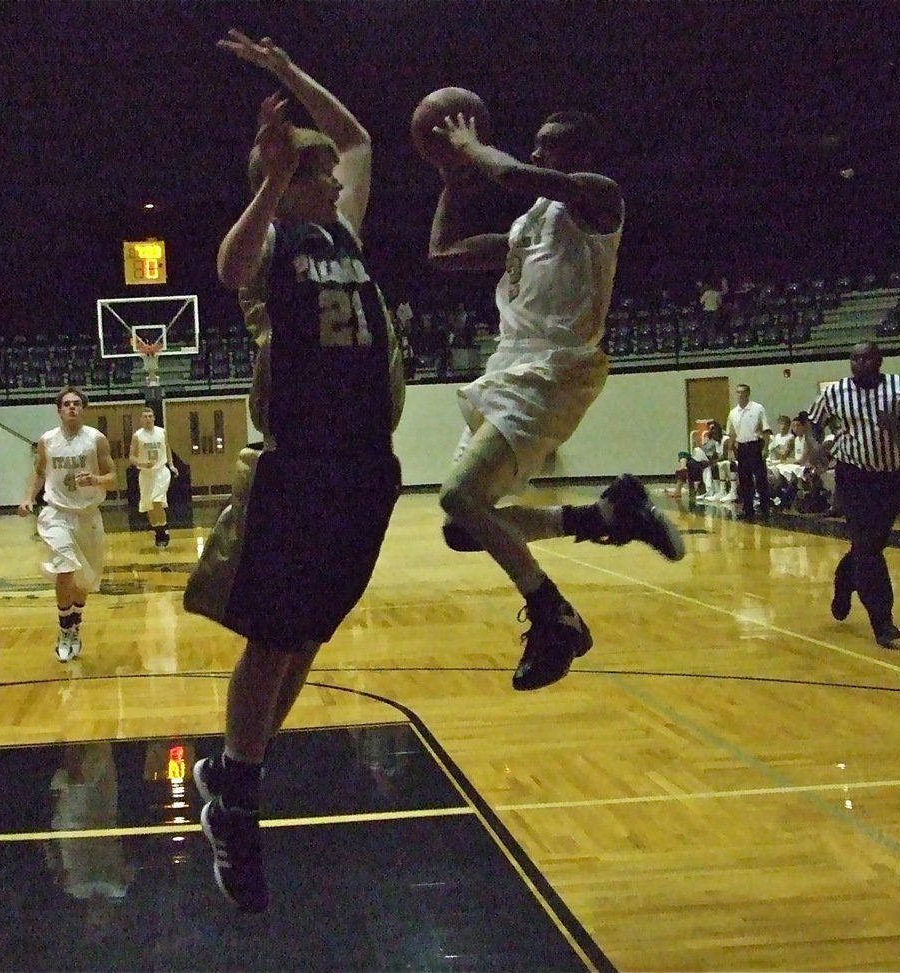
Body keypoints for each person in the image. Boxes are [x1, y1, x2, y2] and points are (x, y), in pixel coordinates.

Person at [183, 31, 405, 914]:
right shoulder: (274, 244)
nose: (338, 180)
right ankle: (237, 801)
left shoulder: (342, 229)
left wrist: (284, 72)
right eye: (318, 174)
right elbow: (226, 266)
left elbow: (359, 141)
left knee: (309, 632)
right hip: (300, 463)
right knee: (274, 635)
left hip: (363, 465)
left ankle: (231, 775)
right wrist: (273, 174)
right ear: (293, 180)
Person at [426, 105, 684, 692]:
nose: (537, 154)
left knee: (458, 495)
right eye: (534, 146)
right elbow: (441, 254)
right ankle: (604, 515)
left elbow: (518, 176)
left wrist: (470, 149)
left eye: (550, 146)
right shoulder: (525, 228)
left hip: (555, 370)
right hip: (509, 369)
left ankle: (554, 615)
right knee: (461, 526)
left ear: (581, 156)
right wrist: (449, 183)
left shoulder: (598, 199)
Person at [805, 342, 900, 648]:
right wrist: (815, 448)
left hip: (890, 476)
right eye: (854, 358)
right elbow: (812, 423)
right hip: (853, 475)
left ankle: (845, 582)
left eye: (867, 357)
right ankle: (883, 621)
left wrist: (899, 427)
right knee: (868, 547)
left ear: (879, 360)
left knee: (870, 545)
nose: (860, 363)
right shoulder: (835, 392)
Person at [19, 386, 117, 663]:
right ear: (59, 410)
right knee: (65, 568)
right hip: (56, 514)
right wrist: (28, 498)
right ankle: (64, 630)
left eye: (76, 403)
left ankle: (75, 624)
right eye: (67, 404)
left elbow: (113, 476)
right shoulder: (47, 440)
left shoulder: (96, 440)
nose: (72, 407)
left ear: (83, 409)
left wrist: (96, 480)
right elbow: (39, 473)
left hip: (88, 514)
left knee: (84, 582)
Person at [129, 406, 177, 548]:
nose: (148, 419)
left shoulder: (162, 432)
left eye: (150, 416)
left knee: (157, 501)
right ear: (141, 419)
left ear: (154, 418)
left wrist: (172, 465)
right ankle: (158, 532)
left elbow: (167, 448)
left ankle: (164, 530)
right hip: (145, 473)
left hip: (161, 471)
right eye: (145, 416)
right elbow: (131, 457)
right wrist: (141, 463)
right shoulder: (138, 435)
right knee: (149, 505)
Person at [724, 383, 772, 519]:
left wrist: (766, 448)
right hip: (742, 447)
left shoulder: (758, 409)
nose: (740, 395)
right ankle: (748, 508)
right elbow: (731, 433)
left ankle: (764, 507)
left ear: (748, 393)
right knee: (745, 479)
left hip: (755, 445)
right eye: (738, 392)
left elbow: (766, 430)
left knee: (760, 478)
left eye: (742, 392)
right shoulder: (733, 413)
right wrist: (730, 450)